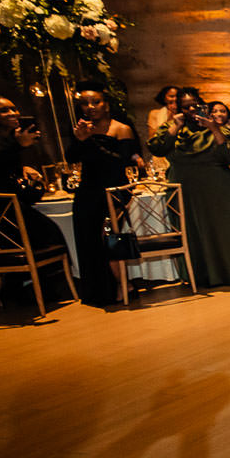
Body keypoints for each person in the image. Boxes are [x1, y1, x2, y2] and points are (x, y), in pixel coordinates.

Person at [147, 96, 230, 288]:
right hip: (185, 190)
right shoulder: (171, 128)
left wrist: (213, 128)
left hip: (220, 190)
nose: (192, 110)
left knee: (225, 233)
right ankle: (200, 276)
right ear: (179, 109)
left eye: (196, 106)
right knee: (193, 233)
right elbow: (157, 148)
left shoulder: (222, 129)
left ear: (204, 107)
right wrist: (175, 126)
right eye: (186, 107)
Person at [66, 83, 140, 306]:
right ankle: (99, 291)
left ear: (106, 104)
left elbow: (120, 162)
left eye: (95, 102)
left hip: (114, 190)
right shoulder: (81, 130)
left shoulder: (121, 129)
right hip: (87, 191)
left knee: (107, 235)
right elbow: (71, 159)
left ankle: (123, 285)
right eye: (85, 103)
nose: (90, 107)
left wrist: (89, 141)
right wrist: (80, 140)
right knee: (88, 239)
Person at [0, 95, 68, 257]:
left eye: (14, 109)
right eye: (4, 110)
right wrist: (19, 145)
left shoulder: (4, 140)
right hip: (4, 217)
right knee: (53, 235)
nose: (13, 113)